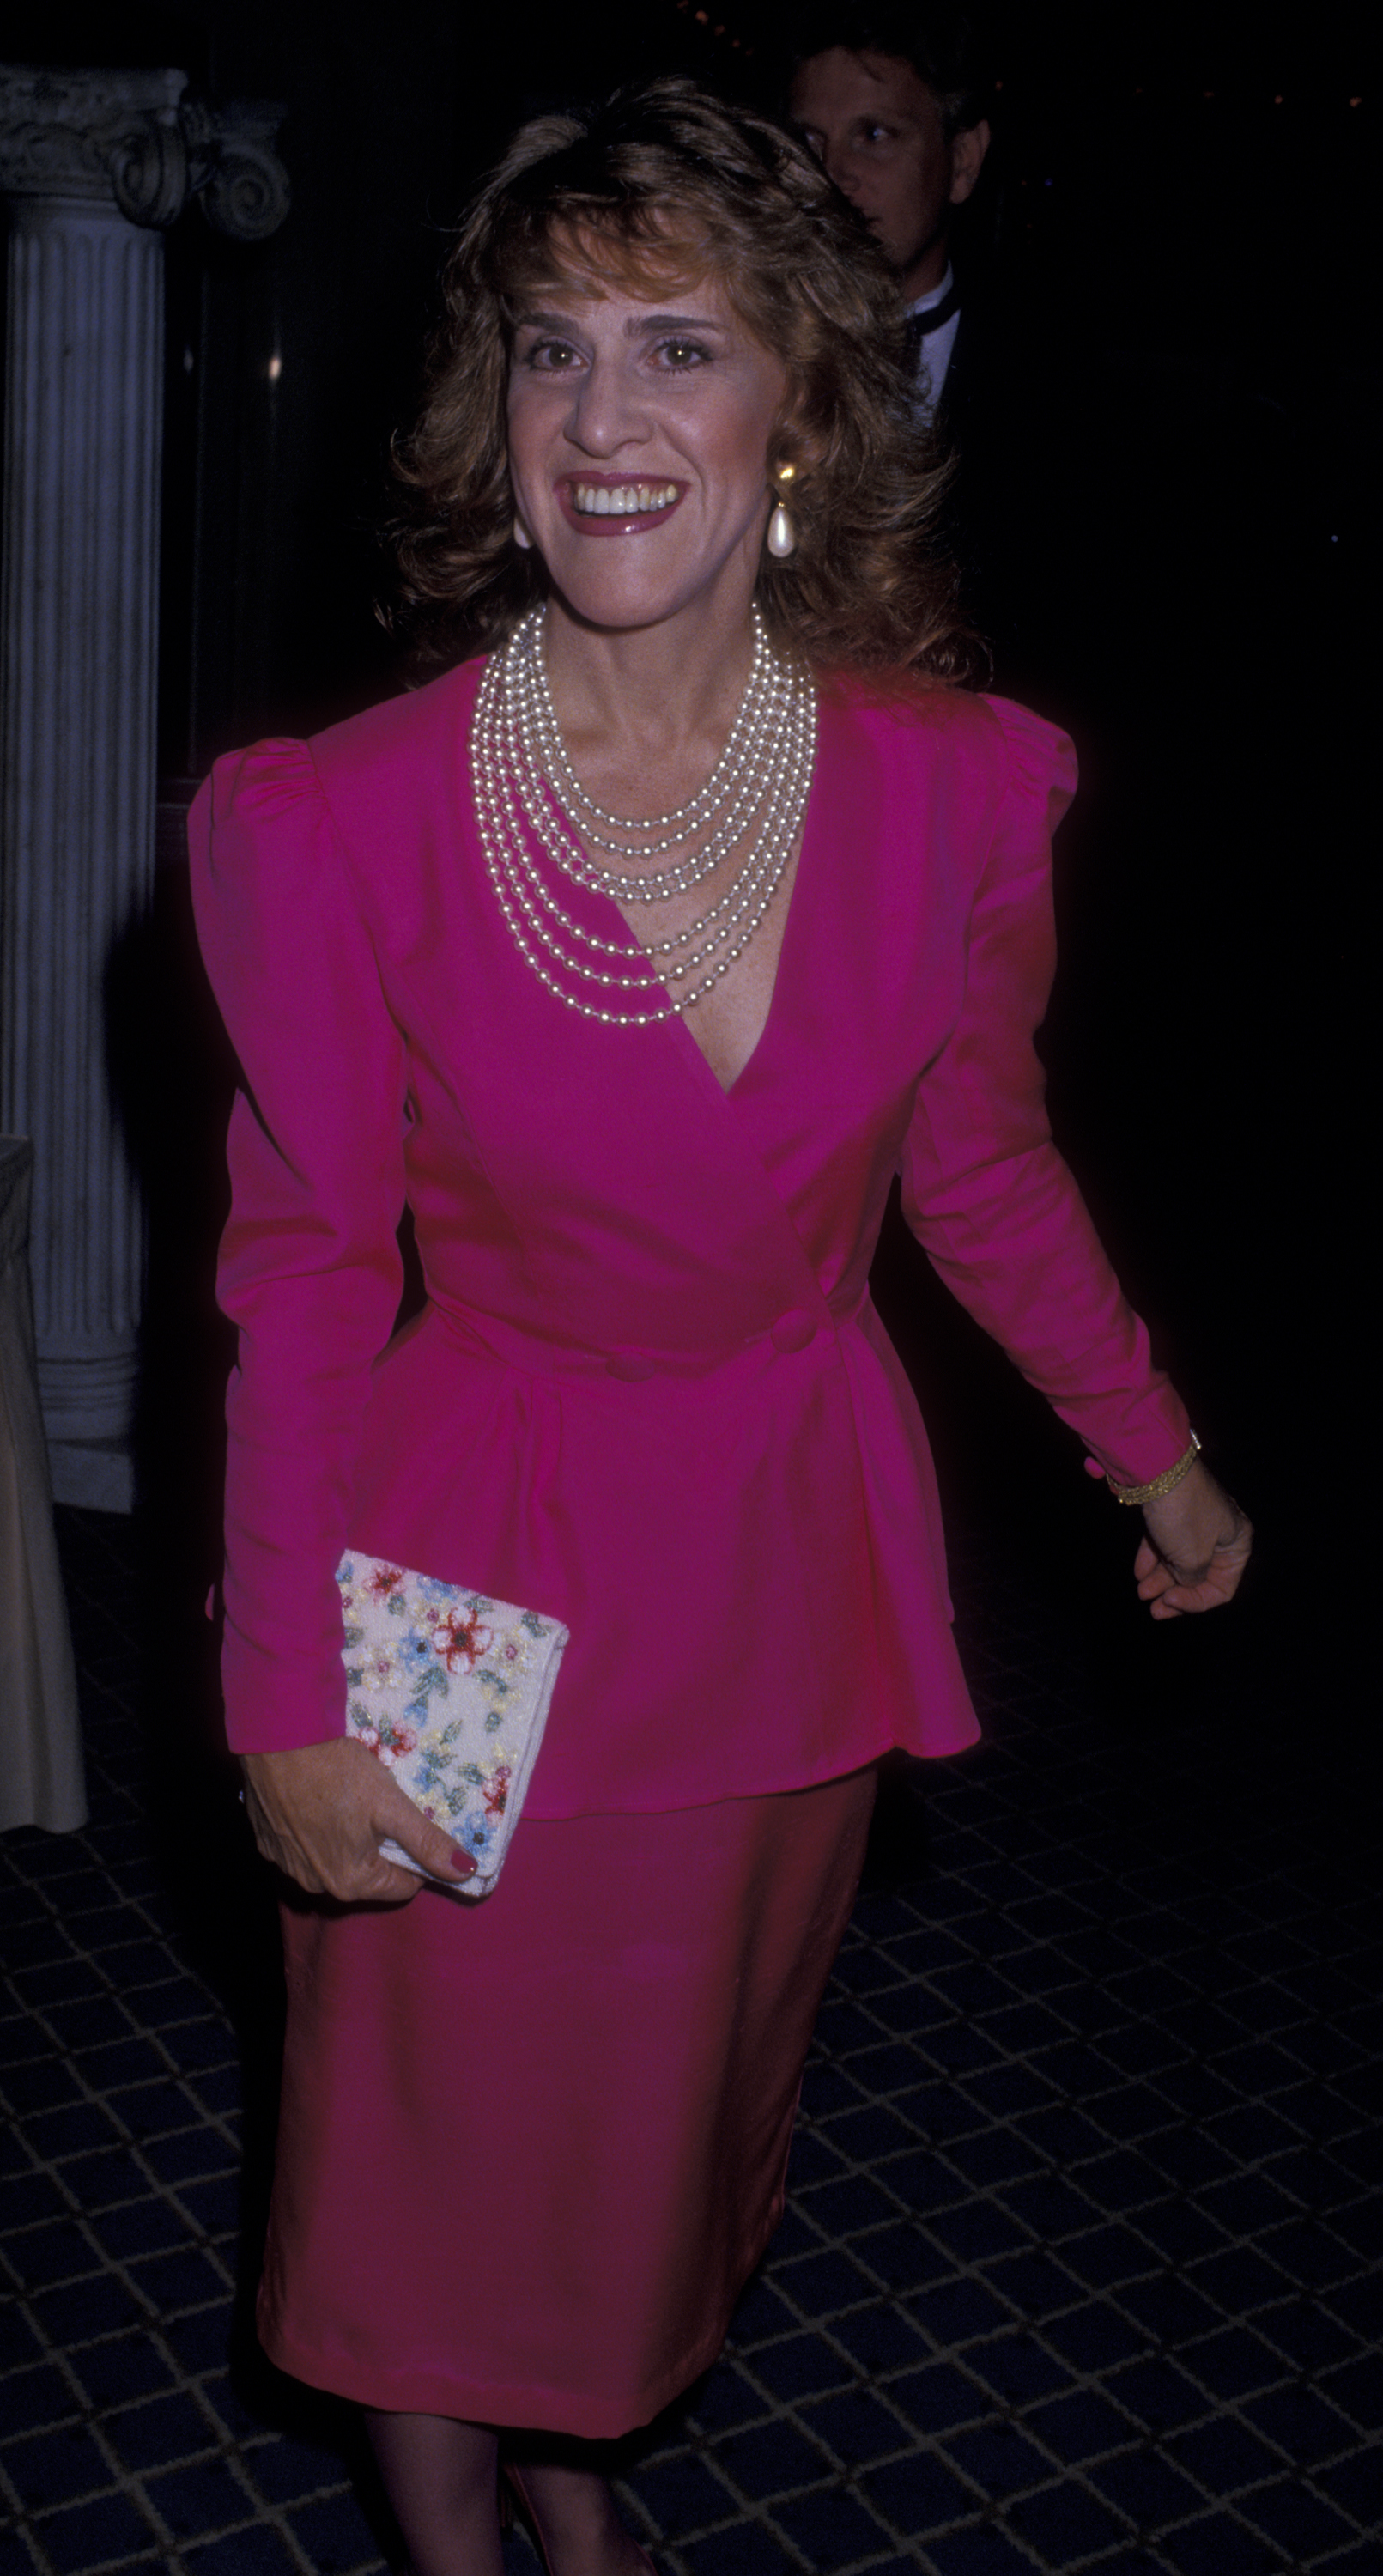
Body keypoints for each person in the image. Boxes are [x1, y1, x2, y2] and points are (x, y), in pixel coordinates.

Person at [188, 76, 1251, 2576]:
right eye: (553, 355)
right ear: (494, 413)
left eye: (682, 347)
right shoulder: (335, 821)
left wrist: (1153, 1445)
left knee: (663, 2119)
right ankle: (471, 2544)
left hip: (782, 1570)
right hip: (468, 1583)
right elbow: (303, 1277)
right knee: (440, 2150)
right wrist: (281, 1703)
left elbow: (975, 1166)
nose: (606, 421)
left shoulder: (955, 792)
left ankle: (587, 2489)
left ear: (803, 403)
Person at [787, 3, 992, 428]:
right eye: (809, 141)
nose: (832, 175)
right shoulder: (746, 346)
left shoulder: (1056, 388)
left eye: (873, 135)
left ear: (963, 162)